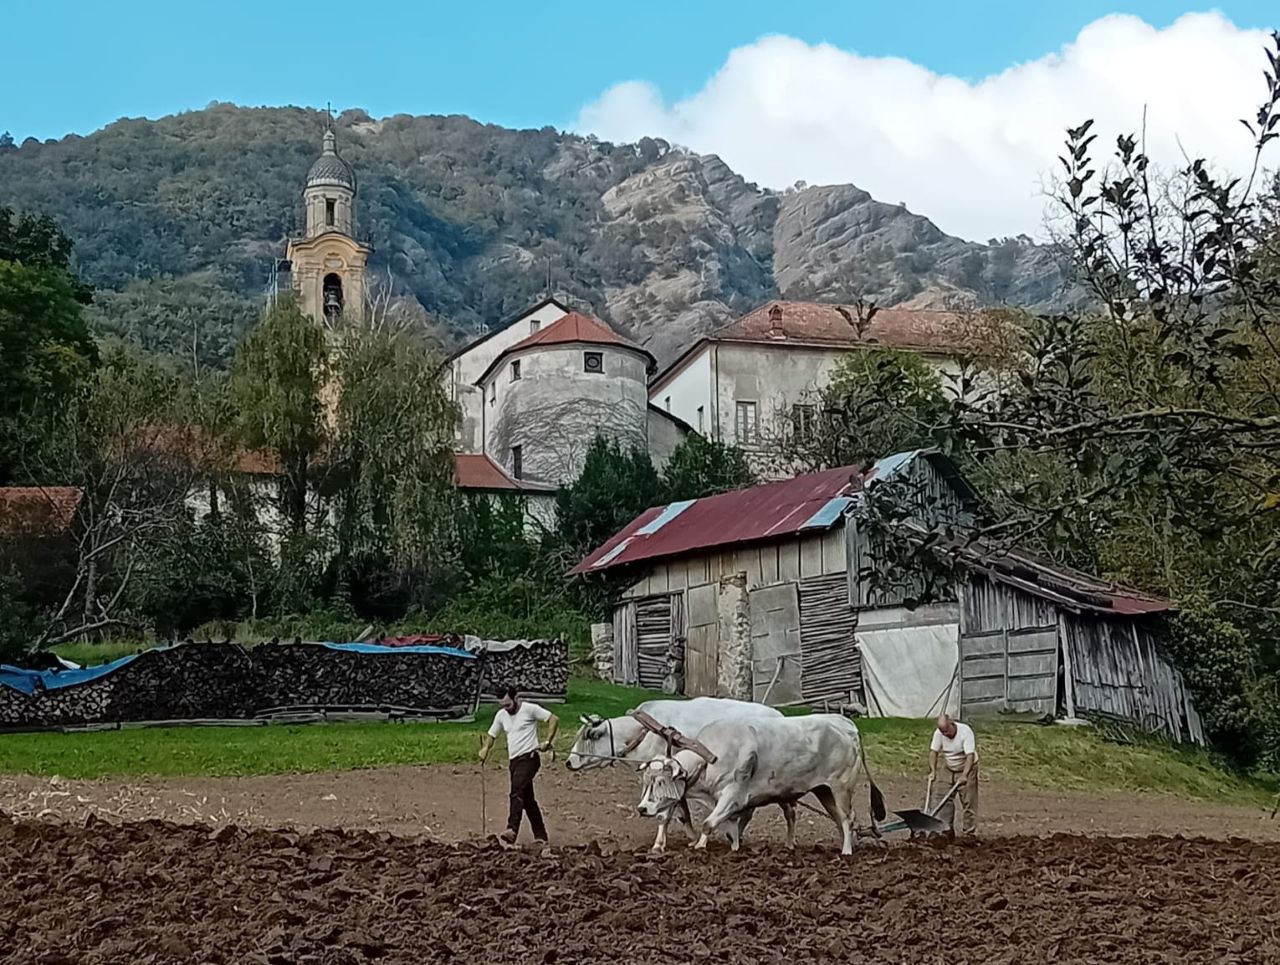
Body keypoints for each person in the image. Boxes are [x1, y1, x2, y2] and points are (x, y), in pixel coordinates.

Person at [479, 685, 559, 848]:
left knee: (516, 789)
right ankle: (541, 836)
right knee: (528, 800)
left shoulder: (530, 709)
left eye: (508, 704)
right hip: (514, 762)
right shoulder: (501, 715)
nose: (506, 708)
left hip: (529, 758)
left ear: (516, 698)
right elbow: (491, 734)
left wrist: (547, 742)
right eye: (503, 705)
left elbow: (553, 719)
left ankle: (512, 829)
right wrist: (485, 748)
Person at [929, 713, 979, 836]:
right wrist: (933, 771)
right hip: (949, 767)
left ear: (952, 723)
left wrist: (965, 775)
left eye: (946, 731)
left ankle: (969, 833)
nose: (945, 734)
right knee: (942, 798)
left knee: (968, 801)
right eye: (942, 732)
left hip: (967, 767)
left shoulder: (965, 731)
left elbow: (970, 756)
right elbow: (933, 752)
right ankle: (946, 830)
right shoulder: (939, 733)